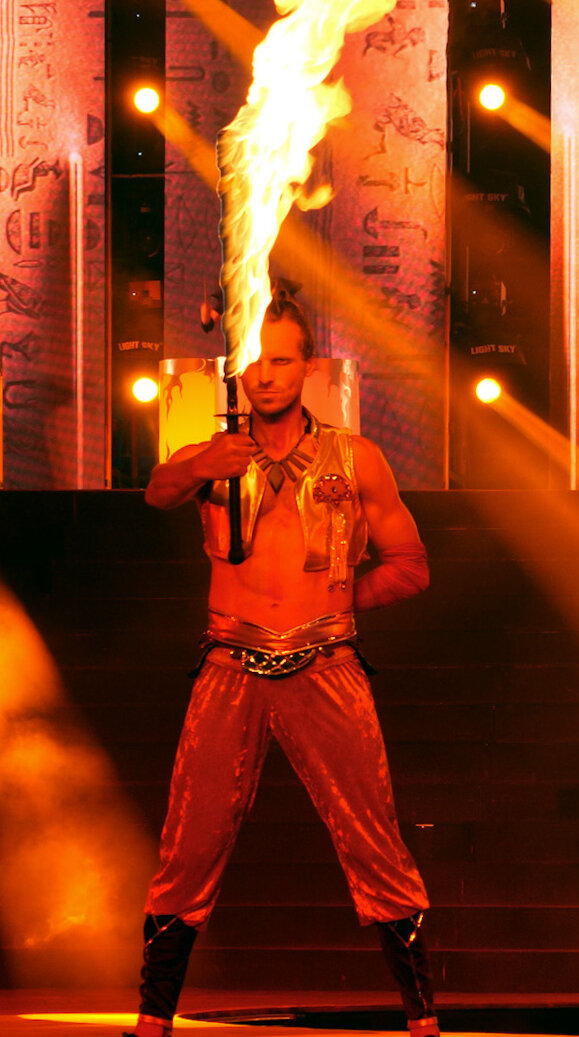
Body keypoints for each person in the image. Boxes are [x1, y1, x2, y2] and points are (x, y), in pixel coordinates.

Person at [128, 294, 438, 1037]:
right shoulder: (210, 452)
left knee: (373, 836)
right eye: (255, 361)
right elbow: (155, 491)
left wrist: (339, 595)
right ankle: (151, 1018)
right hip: (230, 659)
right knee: (190, 838)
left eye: (282, 359)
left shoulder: (354, 456)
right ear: (236, 368)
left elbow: (412, 565)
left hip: (325, 661)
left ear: (308, 366)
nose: (266, 376)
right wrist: (208, 459)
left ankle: (423, 1017)